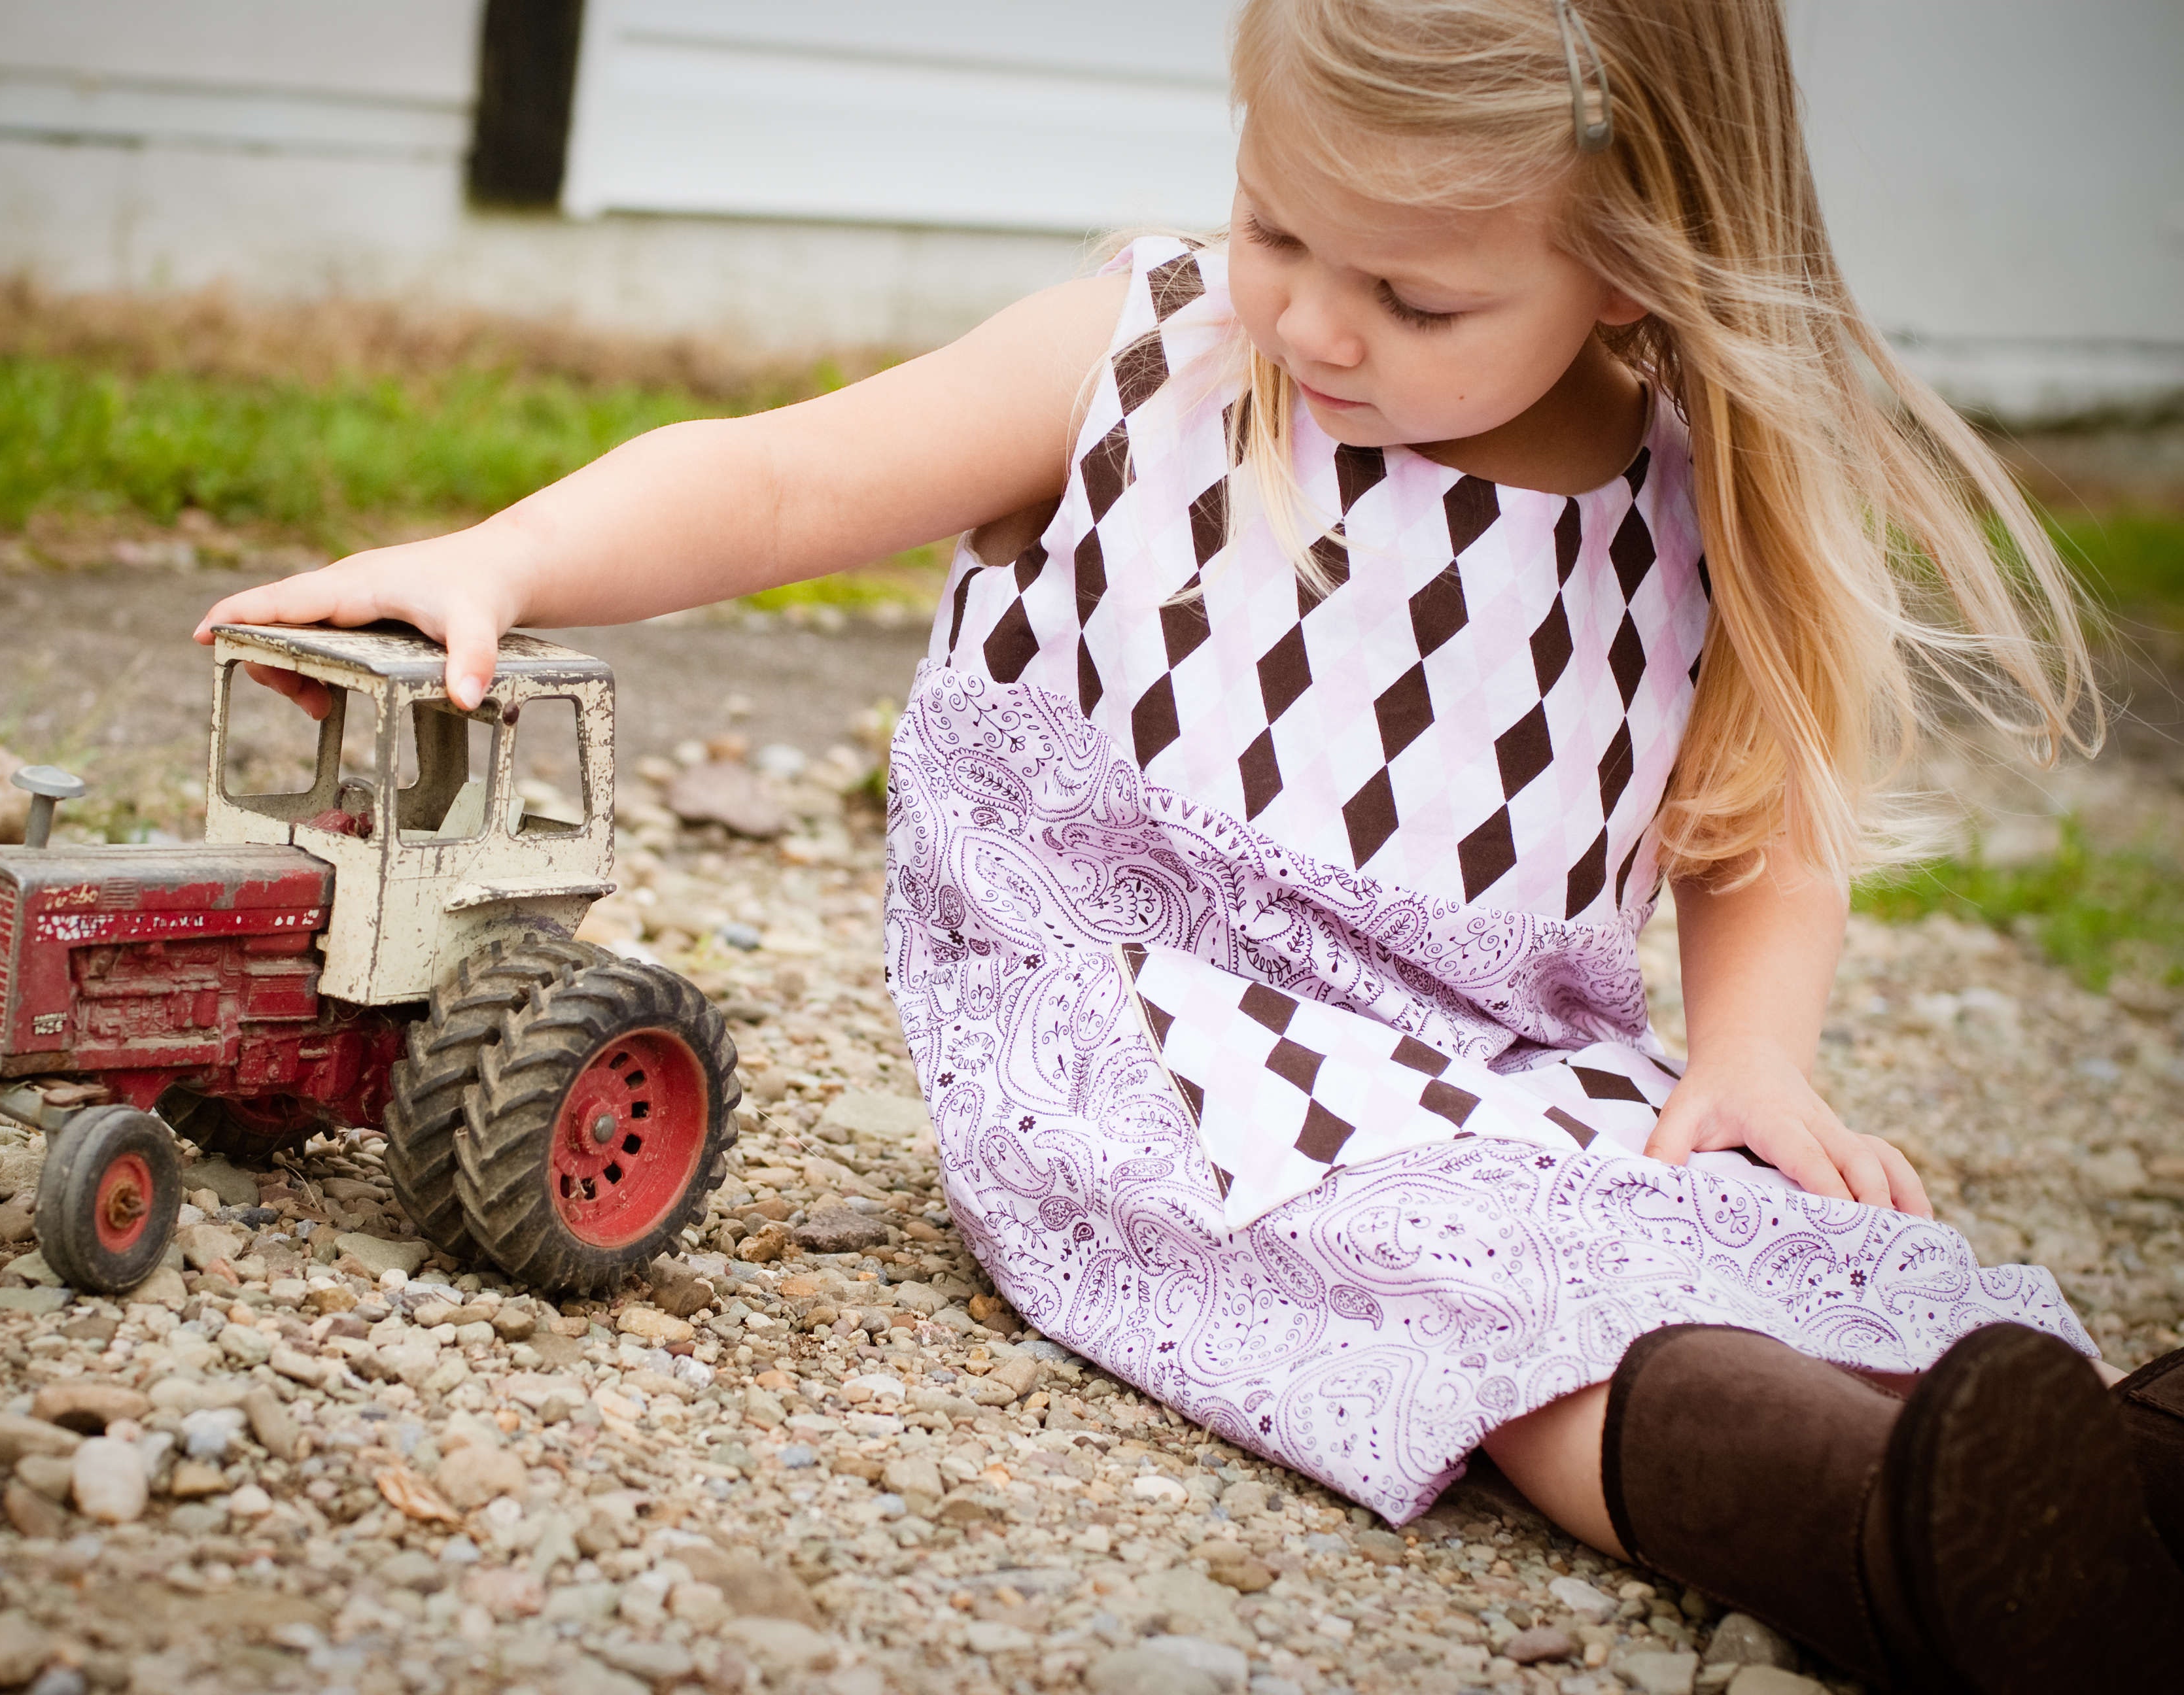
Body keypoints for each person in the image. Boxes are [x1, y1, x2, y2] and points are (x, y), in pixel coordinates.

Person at [199, 1, 2184, 1684]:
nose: (1315, 318)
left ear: (1640, 267)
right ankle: (1871, 1534)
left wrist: (1754, 1059)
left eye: (1415, 295)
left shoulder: (1677, 496)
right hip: (1167, 1051)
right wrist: (505, 553)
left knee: (1758, 1227)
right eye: (1274, 224)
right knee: (1478, 1305)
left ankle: (2091, 1479)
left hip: (1500, 1064)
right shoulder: (1149, 364)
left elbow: (1757, 818)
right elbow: (787, 475)